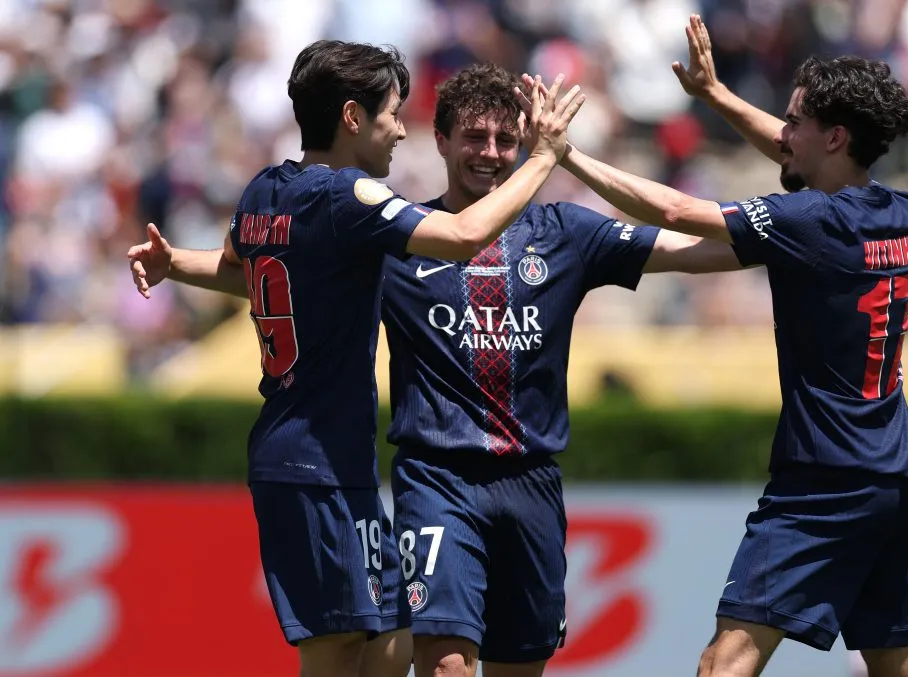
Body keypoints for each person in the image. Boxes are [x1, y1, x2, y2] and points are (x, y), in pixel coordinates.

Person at [130, 60, 735, 677]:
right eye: (474, 136)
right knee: (441, 664)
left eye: (505, 139)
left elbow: (698, 249)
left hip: (530, 481)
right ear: (441, 141)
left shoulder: (564, 233)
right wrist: (546, 159)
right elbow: (342, 262)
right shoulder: (392, 233)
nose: (490, 152)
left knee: (411, 657)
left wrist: (789, 243)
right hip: (434, 478)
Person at [522, 14, 908, 677]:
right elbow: (797, 151)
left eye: (795, 121)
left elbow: (680, 212)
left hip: (825, 477)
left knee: (725, 662)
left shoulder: (813, 221)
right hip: (898, 474)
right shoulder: (896, 207)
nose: (782, 132)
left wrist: (563, 154)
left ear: (834, 136)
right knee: (899, 662)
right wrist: (714, 96)